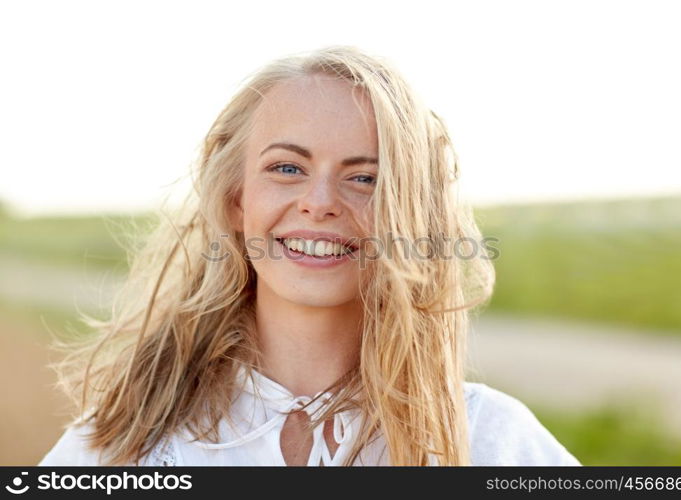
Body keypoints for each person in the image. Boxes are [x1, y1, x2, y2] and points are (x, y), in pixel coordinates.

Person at [38, 45, 580, 466]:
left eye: (365, 178)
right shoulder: (124, 445)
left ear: (410, 216)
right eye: (287, 169)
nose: (319, 204)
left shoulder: (489, 441)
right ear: (235, 201)